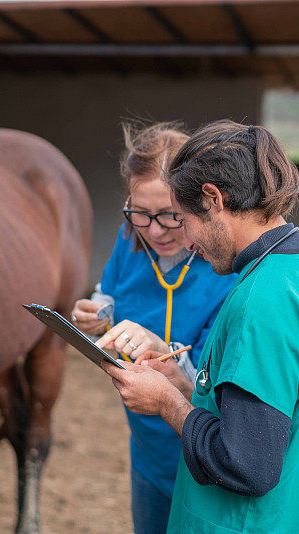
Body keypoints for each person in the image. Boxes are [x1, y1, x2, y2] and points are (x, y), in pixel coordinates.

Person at [103, 120, 299, 533]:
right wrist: (186, 386)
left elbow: (246, 465)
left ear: (213, 199)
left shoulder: (263, 298)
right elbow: (272, 411)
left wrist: (168, 403)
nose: (185, 241)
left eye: (180, 219)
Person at [69, 122, 236, 534]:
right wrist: (97, 316)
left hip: (200, 449)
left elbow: (221, 376)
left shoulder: (224, 268)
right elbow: (109, 293)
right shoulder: (130, 245)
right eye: (140, 213)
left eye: (170, 216)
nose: (155, 230)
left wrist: (164, 348)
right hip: (146, 448)